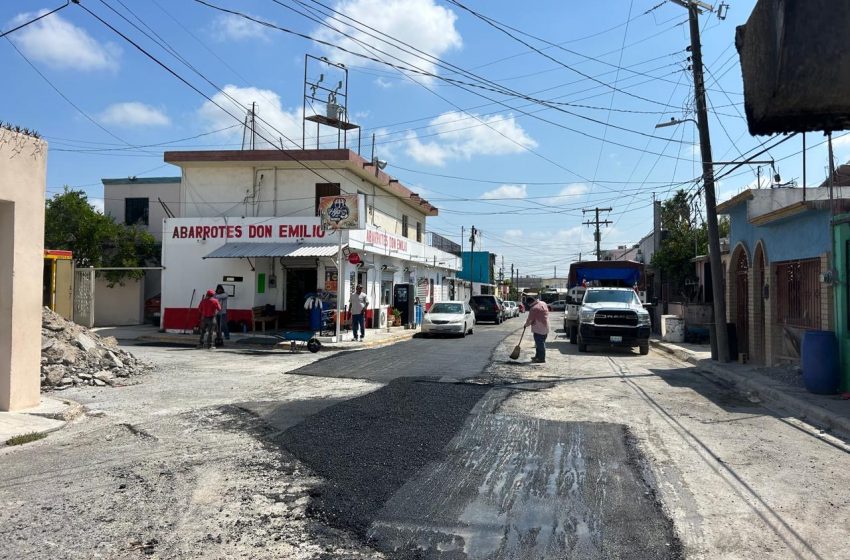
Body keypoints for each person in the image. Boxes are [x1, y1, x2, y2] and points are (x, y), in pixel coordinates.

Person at [524, 295, 550, 363]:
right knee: (539, 343)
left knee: (540, 344)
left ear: (530, 302)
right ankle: (537, 356)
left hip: (538, 329)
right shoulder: (543, 303)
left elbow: (530, 320)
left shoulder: (534, 308)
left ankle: (541, 358)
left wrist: (526, 325)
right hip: (546, 327)